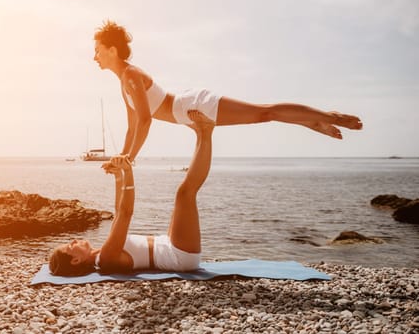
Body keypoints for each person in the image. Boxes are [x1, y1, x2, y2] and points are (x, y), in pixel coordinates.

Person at [93, 20, 363, 162]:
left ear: (112, 50)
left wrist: (129, 159)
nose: (94, 57)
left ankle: (330, 117)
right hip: (186, 113)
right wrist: (123, 159)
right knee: (263, 115)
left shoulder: (130, 75)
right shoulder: (124, 81)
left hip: (192, 106)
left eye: (97, 50)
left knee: (263, 113)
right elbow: (131, 129)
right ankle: (312, 122)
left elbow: (144, 120)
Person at [49, 110, 215, 276]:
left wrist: (118, 176)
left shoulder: (102, 252)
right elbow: (126, 213)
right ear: (76, 260)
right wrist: (128, 171)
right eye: (70, 246)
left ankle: (201, 133)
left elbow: (118, 211)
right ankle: (206, 132)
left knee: (182, 196)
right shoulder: (106, 258)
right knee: (185, 194)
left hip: (169, 244)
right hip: (179, 256)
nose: (74, 241)